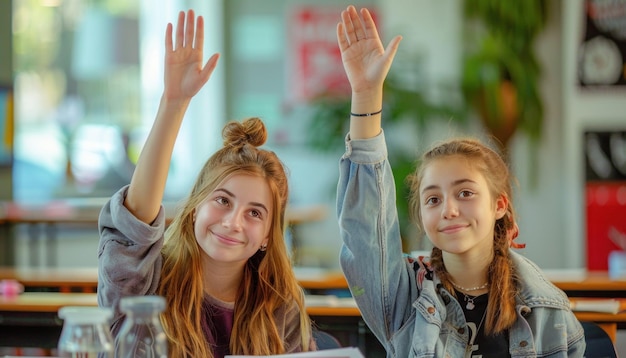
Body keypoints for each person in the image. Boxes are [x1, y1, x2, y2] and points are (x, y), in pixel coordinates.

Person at [334, 5, 585, 357]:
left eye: (465, 192)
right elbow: (365, 230)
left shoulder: (546, 309)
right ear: (422, 217)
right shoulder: (404, 298)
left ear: (499, 204)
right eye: (432, 199)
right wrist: (365, 94)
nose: (449, 210)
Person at [97, 9, 314, 358]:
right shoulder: (145, 282)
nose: (233, 222)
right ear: (196, 205)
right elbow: (132, 225)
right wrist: (174, 103)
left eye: (255, 212)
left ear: (268, 236)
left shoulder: (280, 307)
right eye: (223, 201)